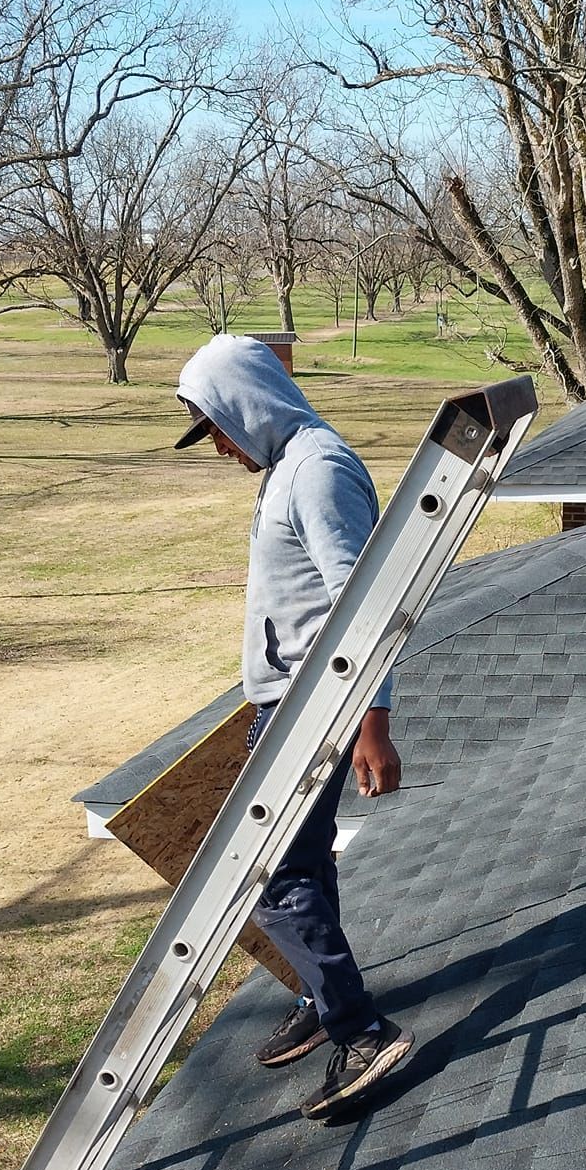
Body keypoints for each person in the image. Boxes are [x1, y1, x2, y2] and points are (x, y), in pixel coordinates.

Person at [175, 333, 415, 1121]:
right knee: (303, 865)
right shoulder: (290, 466)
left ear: (247, 403)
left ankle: (360, 1029)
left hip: (313, 705)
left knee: (268, 873)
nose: (217, 445)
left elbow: (363, 601)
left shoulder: (319, 472)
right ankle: (326, 997)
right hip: (291, 700)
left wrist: (371, 720)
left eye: (216, 425)